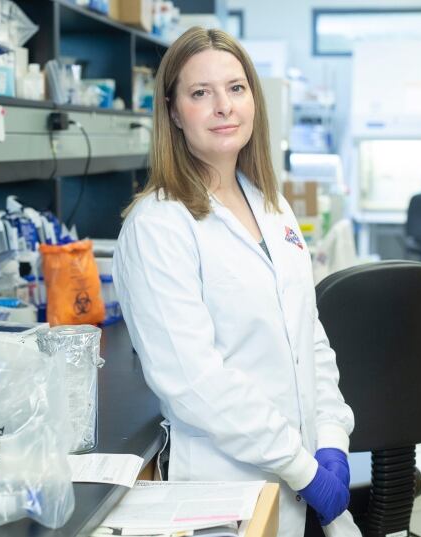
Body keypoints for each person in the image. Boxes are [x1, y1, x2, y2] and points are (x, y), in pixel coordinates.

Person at [112, 27, 359, 537]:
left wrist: (333, 436)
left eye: (236, 88)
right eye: (201, 93)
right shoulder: (158, 224)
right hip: (228, 495)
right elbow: (195, 382)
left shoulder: (271, 203)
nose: (224, 106)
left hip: (305, 474)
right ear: (175, 112)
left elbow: (307, 333)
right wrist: (303, 468)